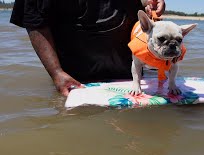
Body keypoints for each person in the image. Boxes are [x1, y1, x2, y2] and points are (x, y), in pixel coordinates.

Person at [10, 0, 166, 96]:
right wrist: (56, 73)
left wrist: (148, 2)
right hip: (75, 82)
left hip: (129, 77)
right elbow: (33, 18)